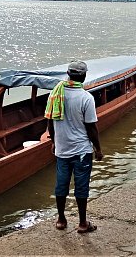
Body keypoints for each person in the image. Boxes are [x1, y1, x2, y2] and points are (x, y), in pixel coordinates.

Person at [45, 60, 103, 233]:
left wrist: (54, 142)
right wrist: (98, 149)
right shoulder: (86, 98)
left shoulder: (55, 95)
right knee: (81, 186)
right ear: (84, 77)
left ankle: (61, 220)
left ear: (68, 74)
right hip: (81, 151)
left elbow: (50, 122)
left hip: (62, 150)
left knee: (61, 184)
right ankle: (83, 223)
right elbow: (91, 127)